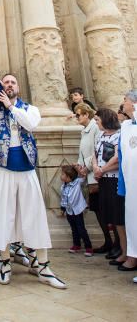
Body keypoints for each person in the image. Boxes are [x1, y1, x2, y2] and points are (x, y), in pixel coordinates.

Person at [0, 75, 66, 289]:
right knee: (1, 215)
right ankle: (4, 262)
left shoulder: (29, 109)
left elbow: (30, 124)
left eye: (13, 82)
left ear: (18, 87)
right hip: (1, 168)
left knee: (34, 214)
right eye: (5, 83)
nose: (9, 85)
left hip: (25, 167)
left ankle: (42, 265)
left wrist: (11, 106)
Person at [74, 103, 107, 253]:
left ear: (87, 115)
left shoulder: (94, 128)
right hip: (88, 173)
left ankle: (111, 242)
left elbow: (96, 150)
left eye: (79, 115)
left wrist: (86, 167)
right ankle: (108, 241)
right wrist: (80, 166)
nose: (77, 117)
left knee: (102, 209)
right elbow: (83, 152)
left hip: (95, 174)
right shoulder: (84, 130)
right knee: (97, 208)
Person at [93, 108, 124, 264]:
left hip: (113, 177)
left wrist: (103, 169)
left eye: (97, 120)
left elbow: (119, 157)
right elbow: (95, 153)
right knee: (107, 211)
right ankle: (113, 243)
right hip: (102, 178)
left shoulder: (119, 134)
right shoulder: (100, 135)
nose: (96, 122)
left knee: (116, 212)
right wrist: (96, 167)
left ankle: (120, 245)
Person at [117, 90, 137, 275]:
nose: (123, 104)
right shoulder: (126, 126)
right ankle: (132, 256)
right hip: (131, 184)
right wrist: (122, 184)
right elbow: (122, 156)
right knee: (131, 221)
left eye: (126, 100)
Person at [60, 165, 93, 256]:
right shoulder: (63, 187)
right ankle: (76, 245)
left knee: (81, 229)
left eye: (63, 174)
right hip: (69, 211)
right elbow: (63, 199)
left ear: (69, 176)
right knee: (74, 229)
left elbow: (84, 177)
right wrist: (63, 209)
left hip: (77, 210)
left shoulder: (77, 182)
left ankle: (88, 247)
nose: (61, 176)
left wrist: (79, 169)